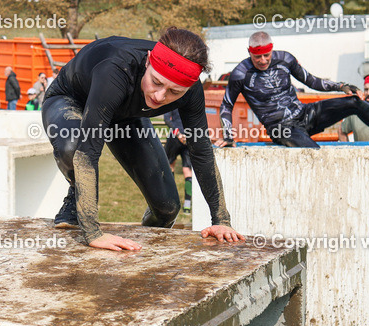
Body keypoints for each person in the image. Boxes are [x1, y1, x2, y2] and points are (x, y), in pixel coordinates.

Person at [42, 28, 243, 251]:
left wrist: (221, 220)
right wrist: (92, 232)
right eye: (156, 82)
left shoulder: (192, 90)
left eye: (174, 92)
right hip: (71, 100)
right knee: (74, 146)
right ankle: (75, 194)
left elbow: (201, 151)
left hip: (125, 115)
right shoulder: (116, 70)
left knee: (167, 208)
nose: (159, 97)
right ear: (148, 61)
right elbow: (88, 151)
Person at [217, 32, 369, 148]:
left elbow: (312, 81)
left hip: (303, 115)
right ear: (249, 53)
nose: (263, 61)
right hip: (280, 128)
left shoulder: (285, 59)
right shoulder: (241, 73)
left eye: (267, 55)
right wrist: (228, 134)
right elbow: (227, 105)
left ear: (272, 50)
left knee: (354, 102)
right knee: (314, 154)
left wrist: (342, 87)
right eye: (258, 57)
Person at [162, 110, 193, 213]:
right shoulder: (190, 100)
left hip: (175, 138)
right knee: (188, 171)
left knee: (170, 167)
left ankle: (171, 202)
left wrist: (178, 134)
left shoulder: (173, 100)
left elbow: (167, 119)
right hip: (188, 138)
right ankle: (187, 206)